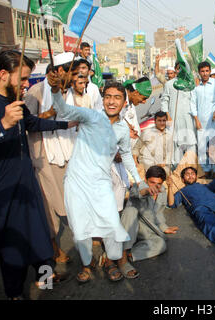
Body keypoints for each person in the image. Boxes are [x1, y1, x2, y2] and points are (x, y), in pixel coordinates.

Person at [0, 51, 76, 299]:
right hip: (2, 192)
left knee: (40, 241)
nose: (27, 84)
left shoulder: (15, 100)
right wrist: (3, 125)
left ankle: (45, 283)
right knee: (12, 250)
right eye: (23, 79)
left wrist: (66, 124)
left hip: (26, 185)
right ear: (4, 74)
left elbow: (32, 123)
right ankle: (14, 294)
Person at [48, 70, 143, 283]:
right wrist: (55, 90)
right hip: (76, 182)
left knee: (110, 224)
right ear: (103, 98)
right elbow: (62, 109)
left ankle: (110, 262)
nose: (111, 101)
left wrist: (139, 179)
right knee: (81, 227)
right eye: (108, 96)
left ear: (123, 101)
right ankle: (86, 266)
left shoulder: (121, 129)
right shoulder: (90, 116)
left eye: (117, 97)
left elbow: (126, 154)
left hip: (101, 184)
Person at [25, 53, 81, 266]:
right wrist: (47, 114)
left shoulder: (68, 92)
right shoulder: (35, 92)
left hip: (69, 153)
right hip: (45, 158)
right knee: (49, 205)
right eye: (72, 73)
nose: (75, 78)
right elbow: (27, 124)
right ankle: (54, 249)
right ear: (59, 71)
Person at [119, 165, 178, 278]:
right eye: (151, 182)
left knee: (161, 244)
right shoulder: (138, 186)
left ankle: (125, 254)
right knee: (130, 211)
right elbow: (135, 193)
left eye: (159, 183)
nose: (155, 186)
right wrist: (146, 191)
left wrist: (164, 227)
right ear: (146, 180)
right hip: (131, 226)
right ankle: (122, 260)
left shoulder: (162, 191)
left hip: (146, 229)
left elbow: (160, 212)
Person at [190, 61, 215, 176]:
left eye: (207, 71)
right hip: (201, 123)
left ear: (210, 71)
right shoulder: (196, 88)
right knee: (202, 149)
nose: (205, 73)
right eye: (202, 71)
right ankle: (206, 173)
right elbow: (192, 105)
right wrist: (196, 120)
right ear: (199, 73)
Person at [160, 67, 197, 166]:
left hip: (188, 120)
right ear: (176, 69)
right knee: (175, 145)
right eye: (178, 68)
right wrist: (167, 116)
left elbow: (194, 102)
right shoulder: (169, 84)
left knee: (191, 143)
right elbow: (164, 100)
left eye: (183, 68)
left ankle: (191, 168)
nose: (181, 70)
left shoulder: (190, 84)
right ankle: (176, 169)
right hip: (174, 119)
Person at [123, 77, 152, 148]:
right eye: (143, 98)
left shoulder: (131, 104)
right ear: (136, 92)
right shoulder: (120, 101)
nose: (144, 102)